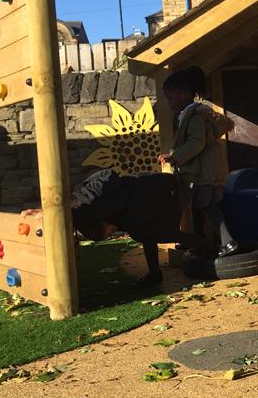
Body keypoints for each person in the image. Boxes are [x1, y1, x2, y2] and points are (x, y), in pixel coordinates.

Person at [22, 168, 211, 286]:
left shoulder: (90, 201)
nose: (112, 233)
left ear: (101, 223)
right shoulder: (100, 213)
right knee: (145, 233)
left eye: (108, 233)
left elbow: (106, 177)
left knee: (163, 233)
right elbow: (72, 211)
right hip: (149, 198)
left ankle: (212, 248)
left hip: (163, 190)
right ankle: (154, 274)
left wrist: (47, 211)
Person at [158, 66, 239, 257]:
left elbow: (196, 143)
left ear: (184, 94)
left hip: (205, 171)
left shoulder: (195, 117)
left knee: (206, 205)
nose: (168, 102)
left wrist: (174, 156)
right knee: (196, 204)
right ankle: (197, 240)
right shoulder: (188, 114)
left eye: (170, 97)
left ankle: (228, 242)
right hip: (203, 169)